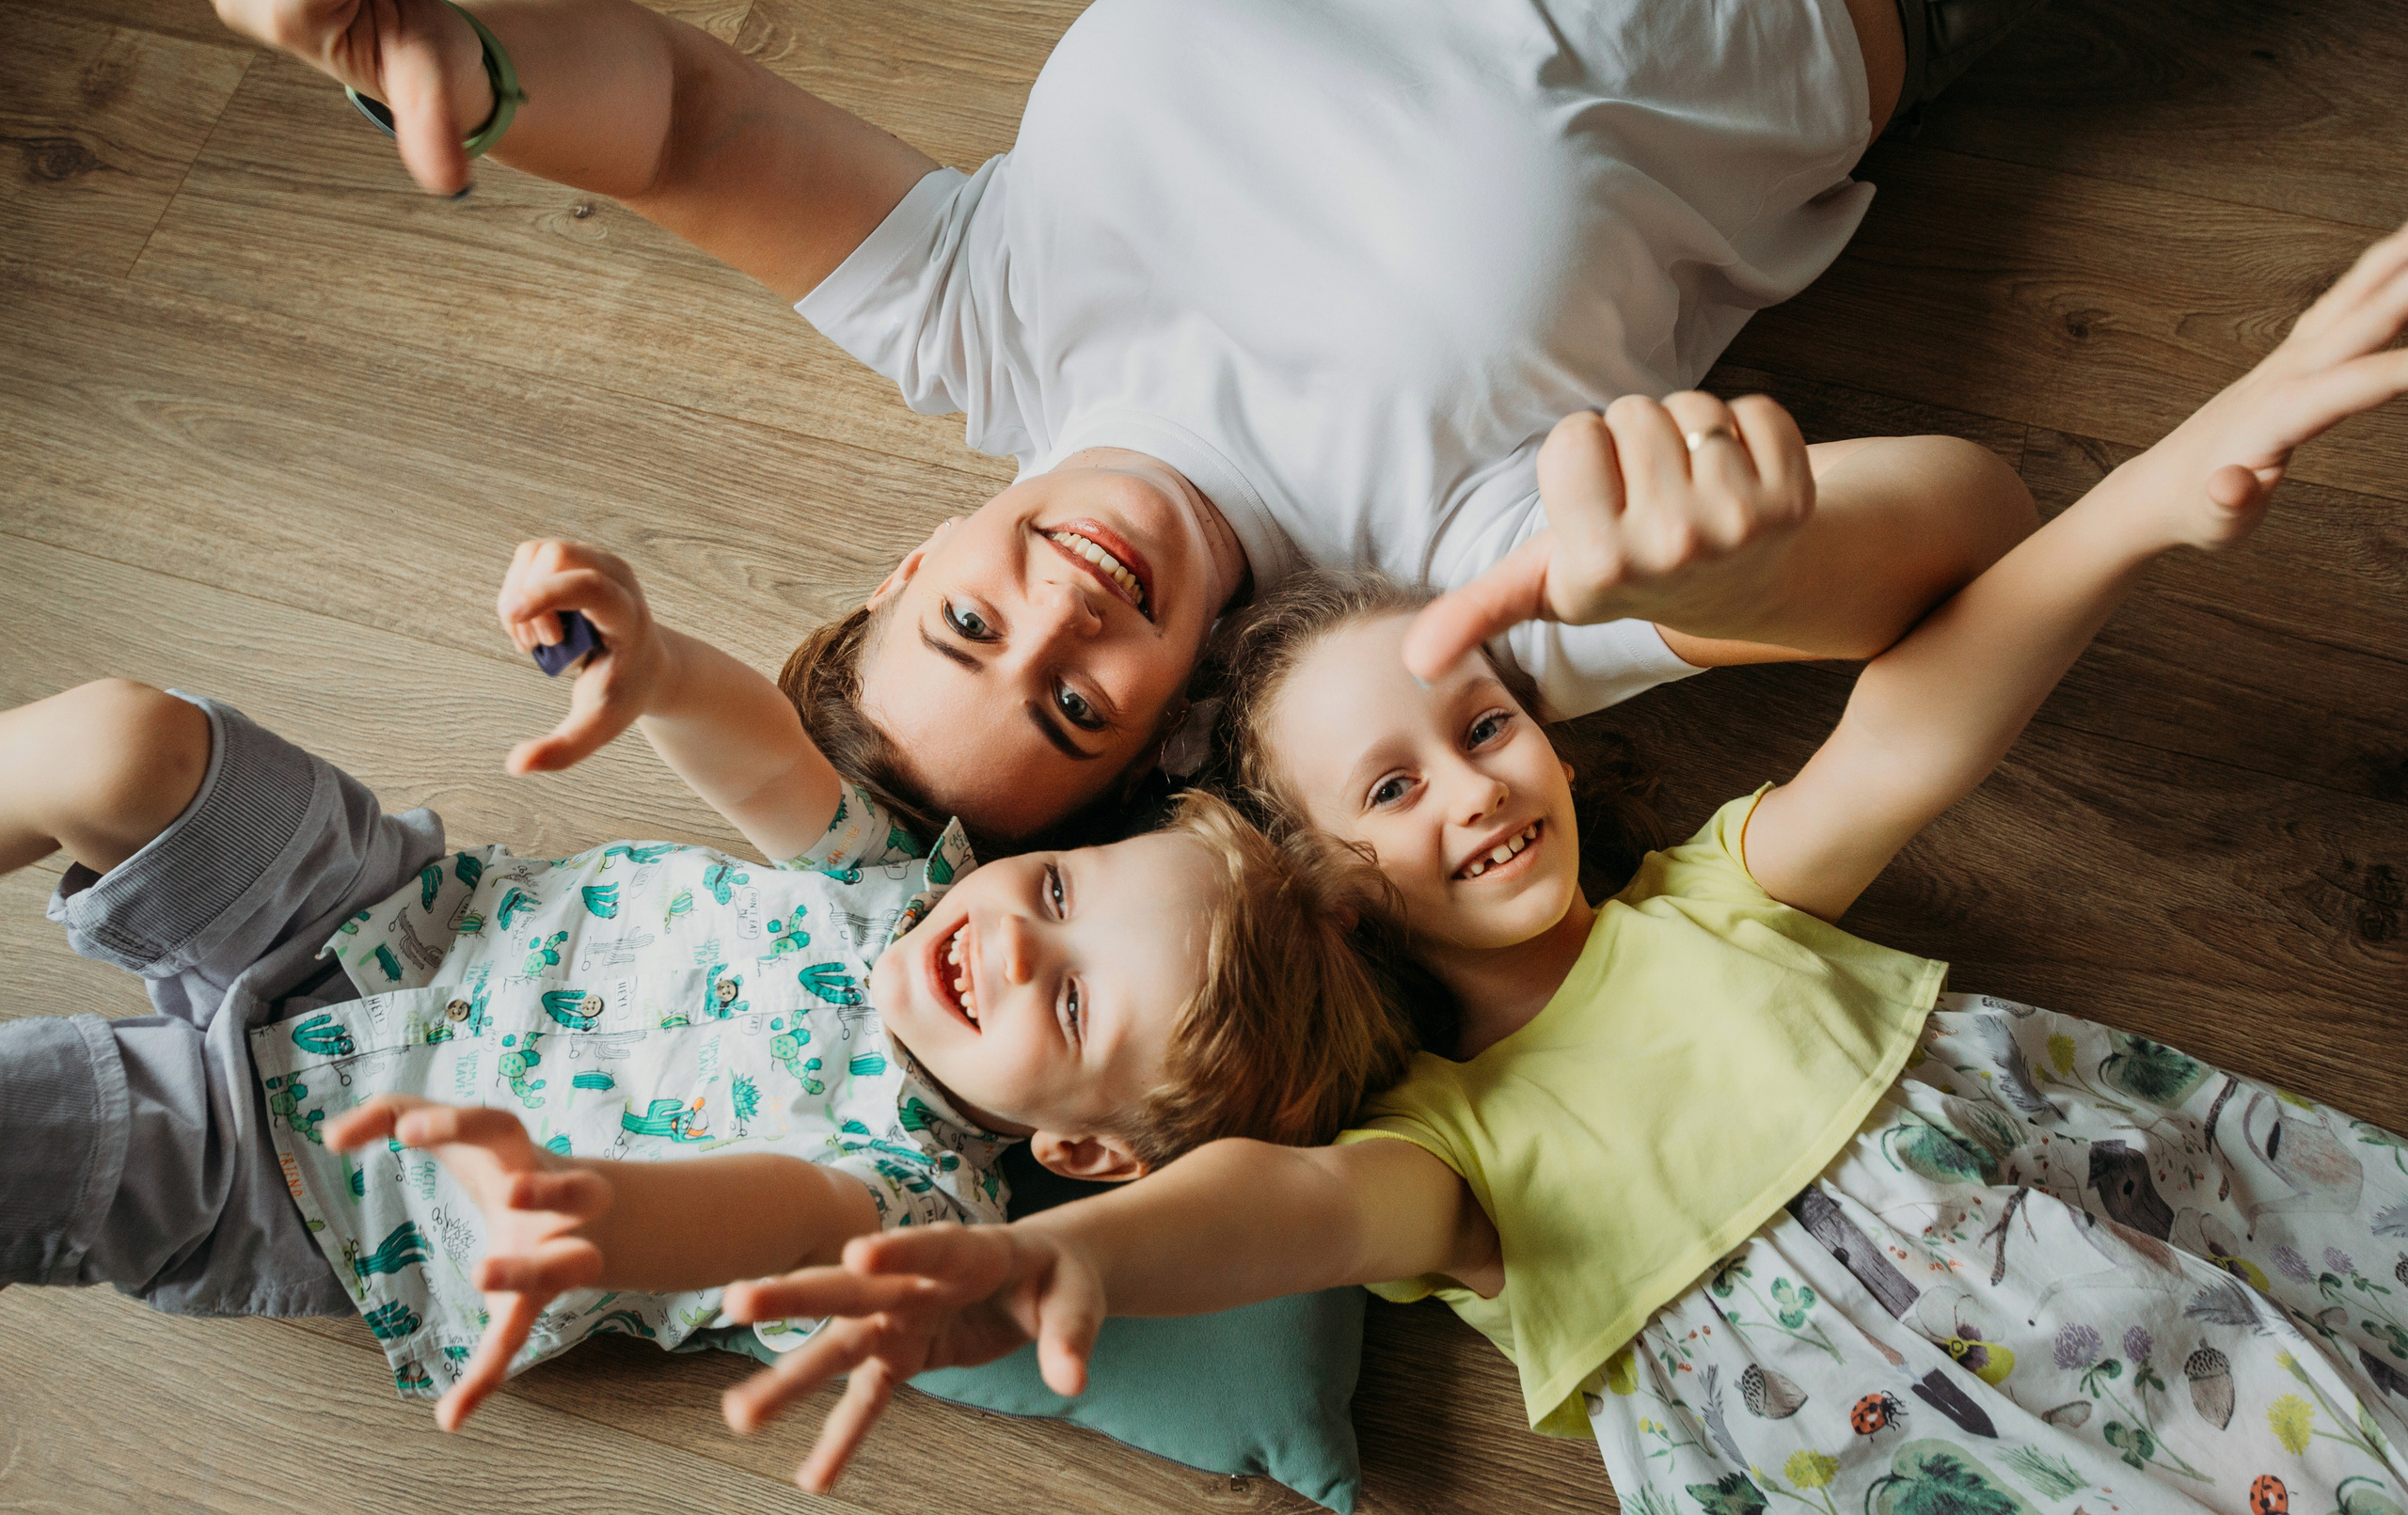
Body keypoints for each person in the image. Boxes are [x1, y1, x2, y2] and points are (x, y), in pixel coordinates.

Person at [705, 225, 2408, 1511]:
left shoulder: (1710, 905)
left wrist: (2156, 491)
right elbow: (1288, 1211)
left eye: (1486, 724)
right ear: (1323, 878)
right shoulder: (1443, 1148)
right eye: (1391, 780)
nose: (1473, 783)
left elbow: (1905, 733)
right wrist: (1073, 1262)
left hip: (2161, 1291)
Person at [199, 0, 2074, 845]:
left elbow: (679, 119)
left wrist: (432, 46)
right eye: (1075, 706)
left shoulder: (985, 319)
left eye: (963, 630)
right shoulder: (1422, 601)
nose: (1058, 618)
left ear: (908, 564)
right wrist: (1731, 567)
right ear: (1177, 722)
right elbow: (1951, 535)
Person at [0, 541, 1414, 1427]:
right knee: (124, 741)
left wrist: (601, 1211)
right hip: (388, 916)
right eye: (1055, 890)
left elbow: (781, 1217)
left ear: (1086, 1147)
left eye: (1071, 1005)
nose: (1017, 941)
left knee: (39, 1125)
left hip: (325, 1182)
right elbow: (766, 766)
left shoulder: (917, 1189)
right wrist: (656, 664)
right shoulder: (901, 882)